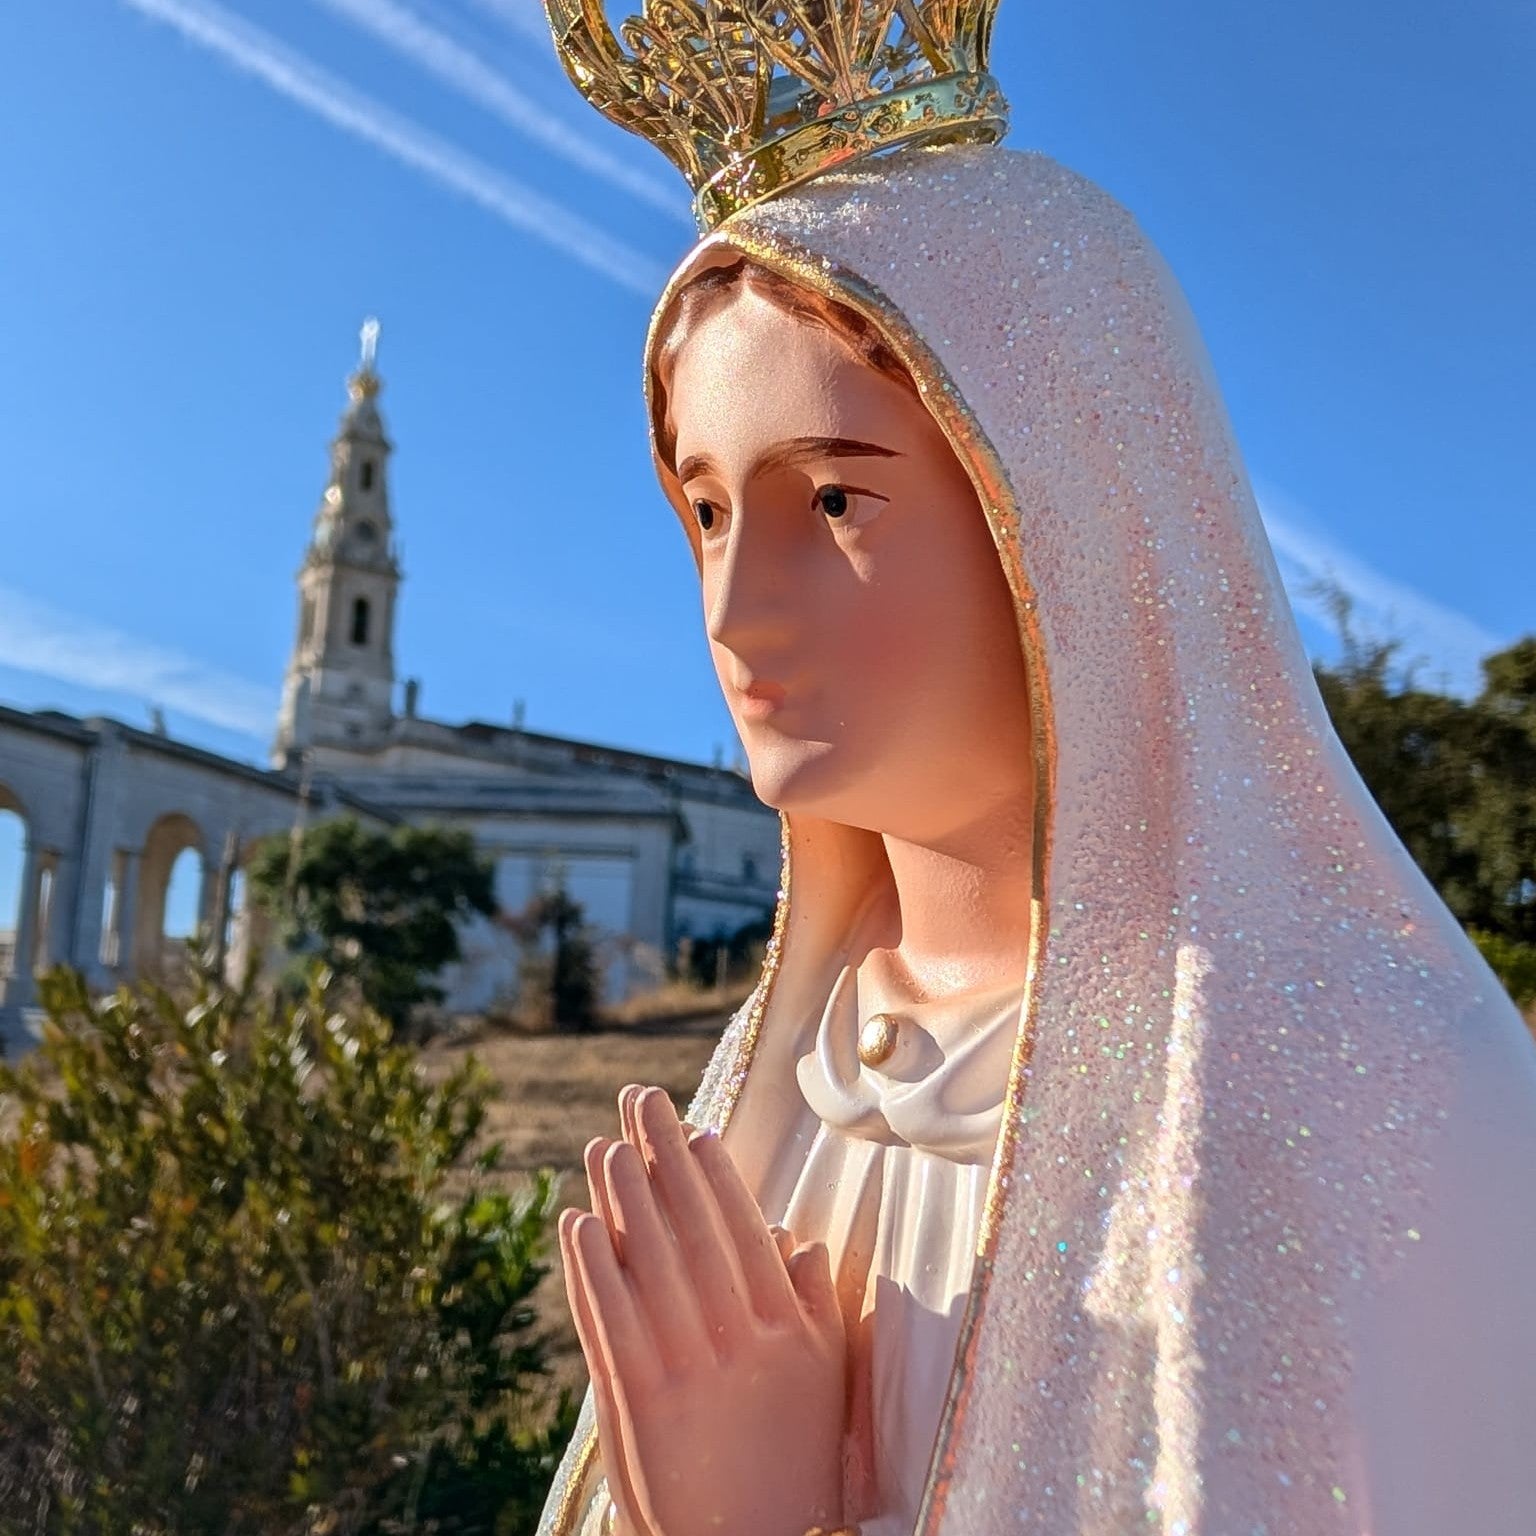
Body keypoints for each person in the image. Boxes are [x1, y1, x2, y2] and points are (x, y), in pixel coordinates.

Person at [537, 4, 1536, 1533]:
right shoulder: (781, 1077)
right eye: (711, 513)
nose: (735, 613)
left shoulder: (1367, 1088)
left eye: (836, 503)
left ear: (1077, 508)